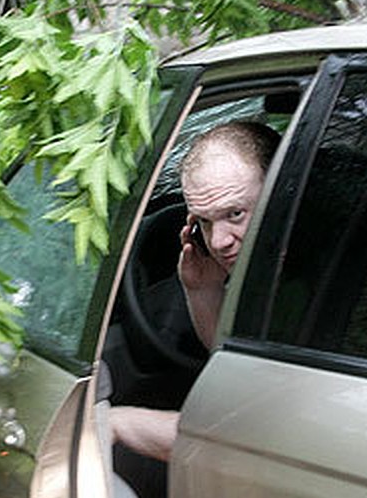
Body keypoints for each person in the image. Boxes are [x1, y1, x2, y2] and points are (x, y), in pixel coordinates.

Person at [110, 121, 281, 462]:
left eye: (235, 214)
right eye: (204, 221)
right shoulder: (265, 266)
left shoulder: (317, 277)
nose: (218, 241)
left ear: (281, 188)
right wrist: (203, 291)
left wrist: (116, 422)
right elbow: (235, 368)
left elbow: (237, 440)